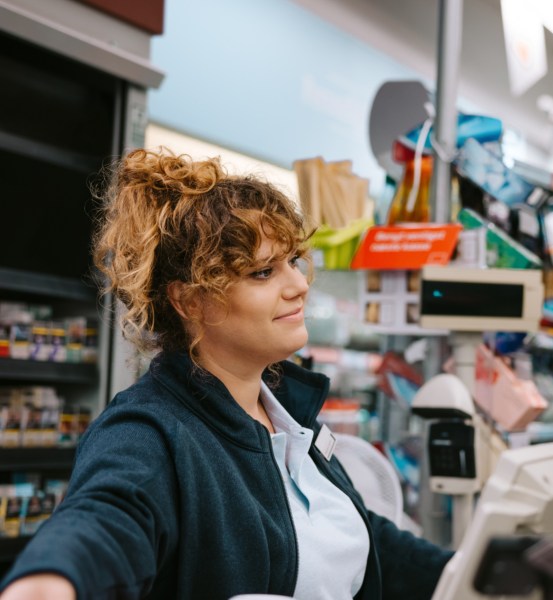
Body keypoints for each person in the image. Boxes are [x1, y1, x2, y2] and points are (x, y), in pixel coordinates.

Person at [0, 149, 453, 600]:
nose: (298, 285)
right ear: (189, 301)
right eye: (262, 272)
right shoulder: (149, 430)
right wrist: (52, 579)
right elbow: (109, 514)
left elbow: (362, 537)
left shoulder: (292, 415)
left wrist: (466, 573)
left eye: (292, 261)